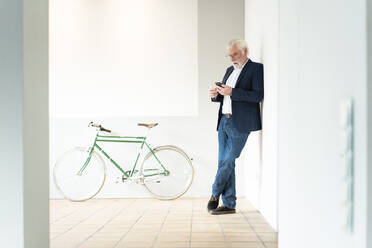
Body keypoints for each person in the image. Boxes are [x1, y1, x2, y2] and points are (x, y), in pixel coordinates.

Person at [208, 38, 264, 215]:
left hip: (240, 123)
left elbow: (257, 96)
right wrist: (215, 95)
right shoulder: (229, 70)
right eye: (229, 55)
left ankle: (215, 193)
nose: (232, 58)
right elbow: (224, 97)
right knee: (224, 162)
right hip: (223, 121)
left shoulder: (256, 69)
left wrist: (233, 92)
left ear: (245, 51)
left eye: (235, 54)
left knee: (227, 161)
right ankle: (230, 204)